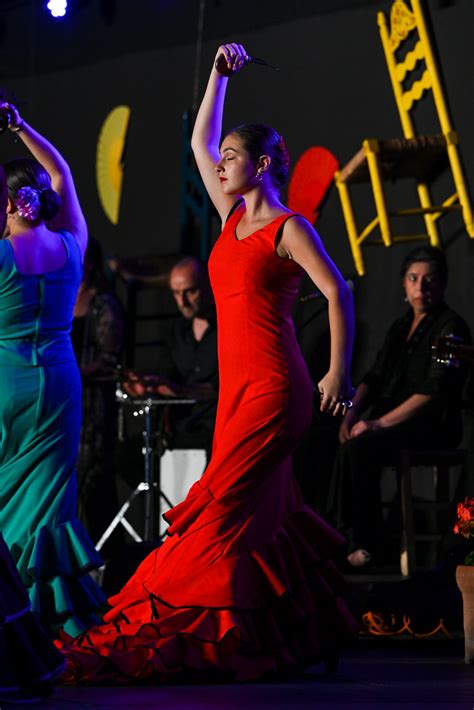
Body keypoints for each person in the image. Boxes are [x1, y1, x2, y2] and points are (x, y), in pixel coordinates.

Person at [59, 43, 357, 682]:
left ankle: (187, 627)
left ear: (266, 162)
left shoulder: (287, 227)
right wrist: (220, 77)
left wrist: (337, 372)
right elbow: (200, 140)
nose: (220, 165)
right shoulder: (228, 220)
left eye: (233, 157)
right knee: (260, 518)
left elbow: (338, 292)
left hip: (278, 389)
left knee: (218, 511)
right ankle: (276, 638)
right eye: (222, 160)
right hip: (236, 390)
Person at [0, 102, 105, 637]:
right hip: (61, 382)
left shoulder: (0, 256)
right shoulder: (71, 247)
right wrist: (20, 128)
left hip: (7, 381)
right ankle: (50, 623)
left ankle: (10, 615)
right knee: (49, 501)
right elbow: (61, 172)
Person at [329, 245, 471, 568]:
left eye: (429, 279)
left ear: (442, 284)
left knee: (361, 447)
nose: (421, 287)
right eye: (413, 278)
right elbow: (374, 377)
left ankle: (364, 542)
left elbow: (433, 392)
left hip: (431, 427)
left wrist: (376, 424)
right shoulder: (399, 326)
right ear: (404, 285)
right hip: (393, 424)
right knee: (344, 441)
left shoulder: (451, 326)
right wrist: (350, 413)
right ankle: (341, 532)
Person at [123, 256, 218, 457]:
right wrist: (146, 385)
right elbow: (166, 374)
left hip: (214, 427)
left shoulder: (226, 329)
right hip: (181, 426)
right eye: (176, 293)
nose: (182, 302)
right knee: (126, 455)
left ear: (209, 286)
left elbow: (217, 390)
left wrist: (179, 390)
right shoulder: (177, 331)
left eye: (190, 292)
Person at [71, 236, 124, 553]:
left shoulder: (104, 304)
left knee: (92, 485)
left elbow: (110, 359)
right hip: (63, 405)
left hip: (92, 409)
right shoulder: (59, 299)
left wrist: (71, 373)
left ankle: (104, 560)